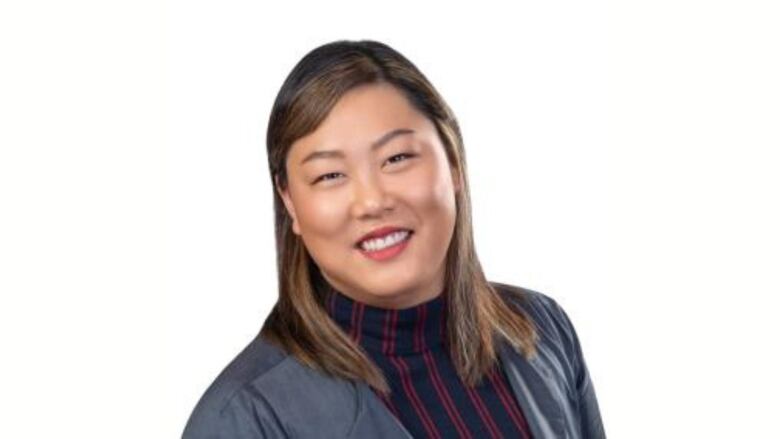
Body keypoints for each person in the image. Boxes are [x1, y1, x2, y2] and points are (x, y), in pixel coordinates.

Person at [183, 39, 605, 439]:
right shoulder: (246, 416)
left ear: (454, 162)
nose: (371, 201)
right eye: (330, 175)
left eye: (397, 158)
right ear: (289, 201)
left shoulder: (542, 329)